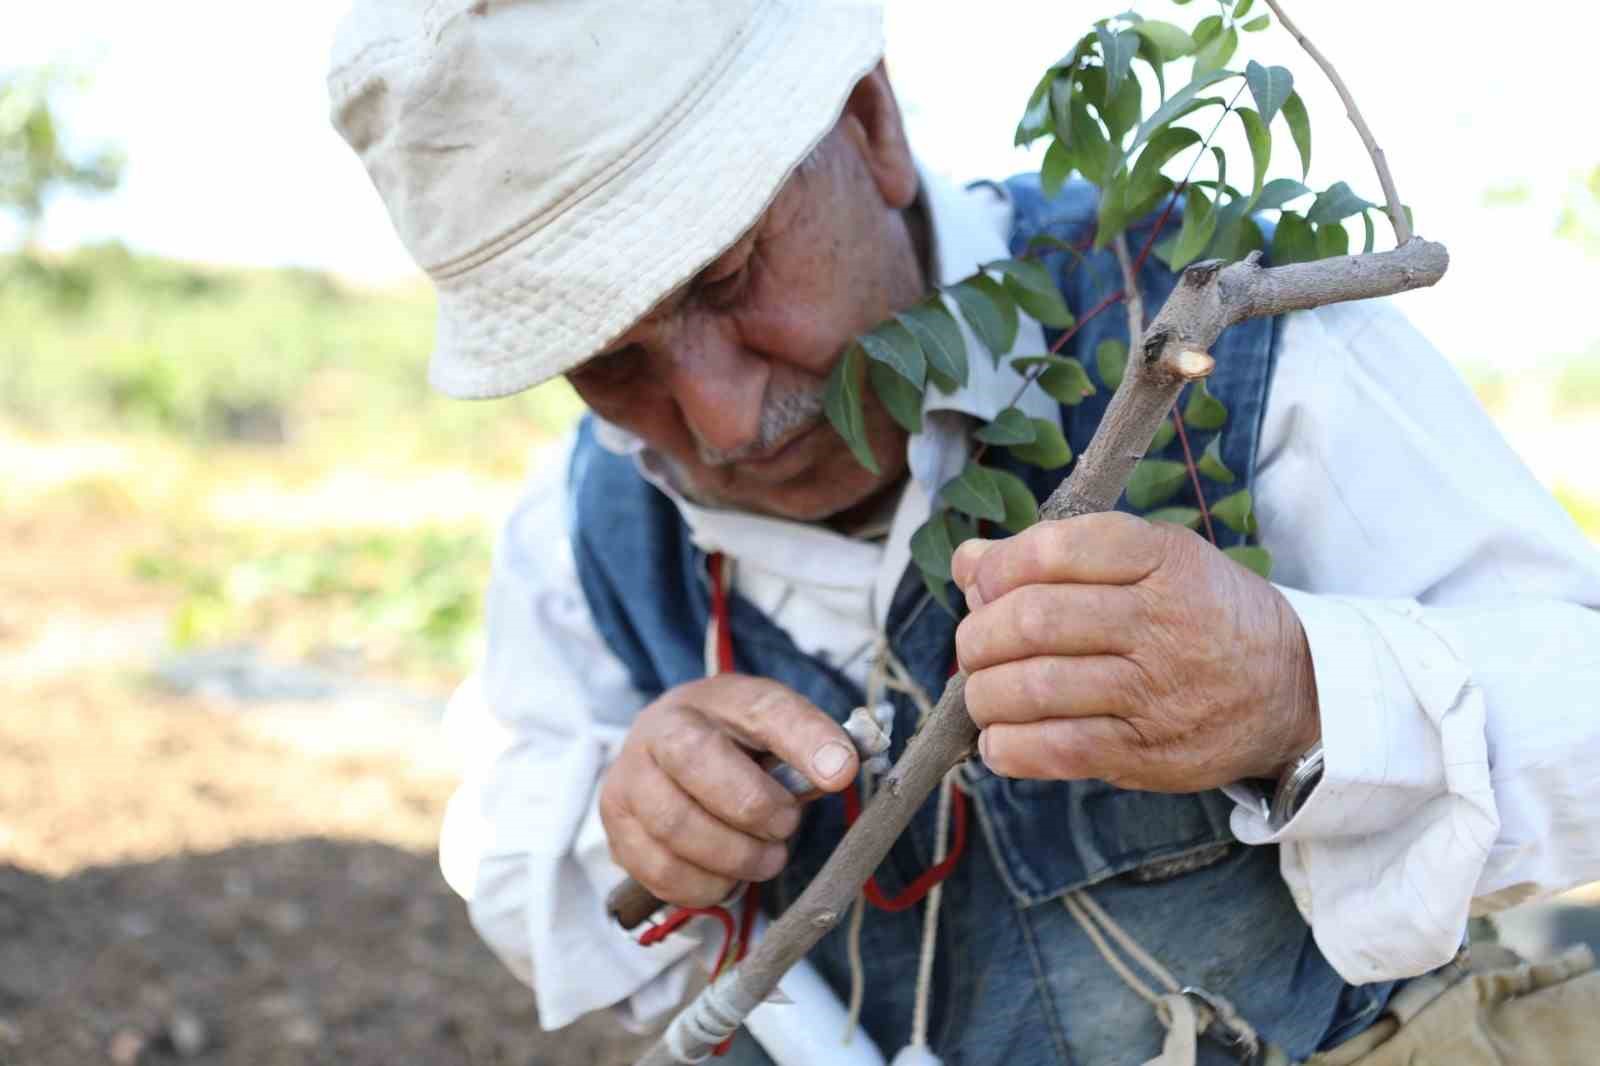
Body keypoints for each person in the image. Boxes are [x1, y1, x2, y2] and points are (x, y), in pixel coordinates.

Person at [327, 2, 1600, 1063]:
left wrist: (1298, 692)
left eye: (728, 279)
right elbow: (507, 836)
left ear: (871, 126)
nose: (719, 418)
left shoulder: (1220, 324)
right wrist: (632, 824)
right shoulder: (583, 528)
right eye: (609, 365)